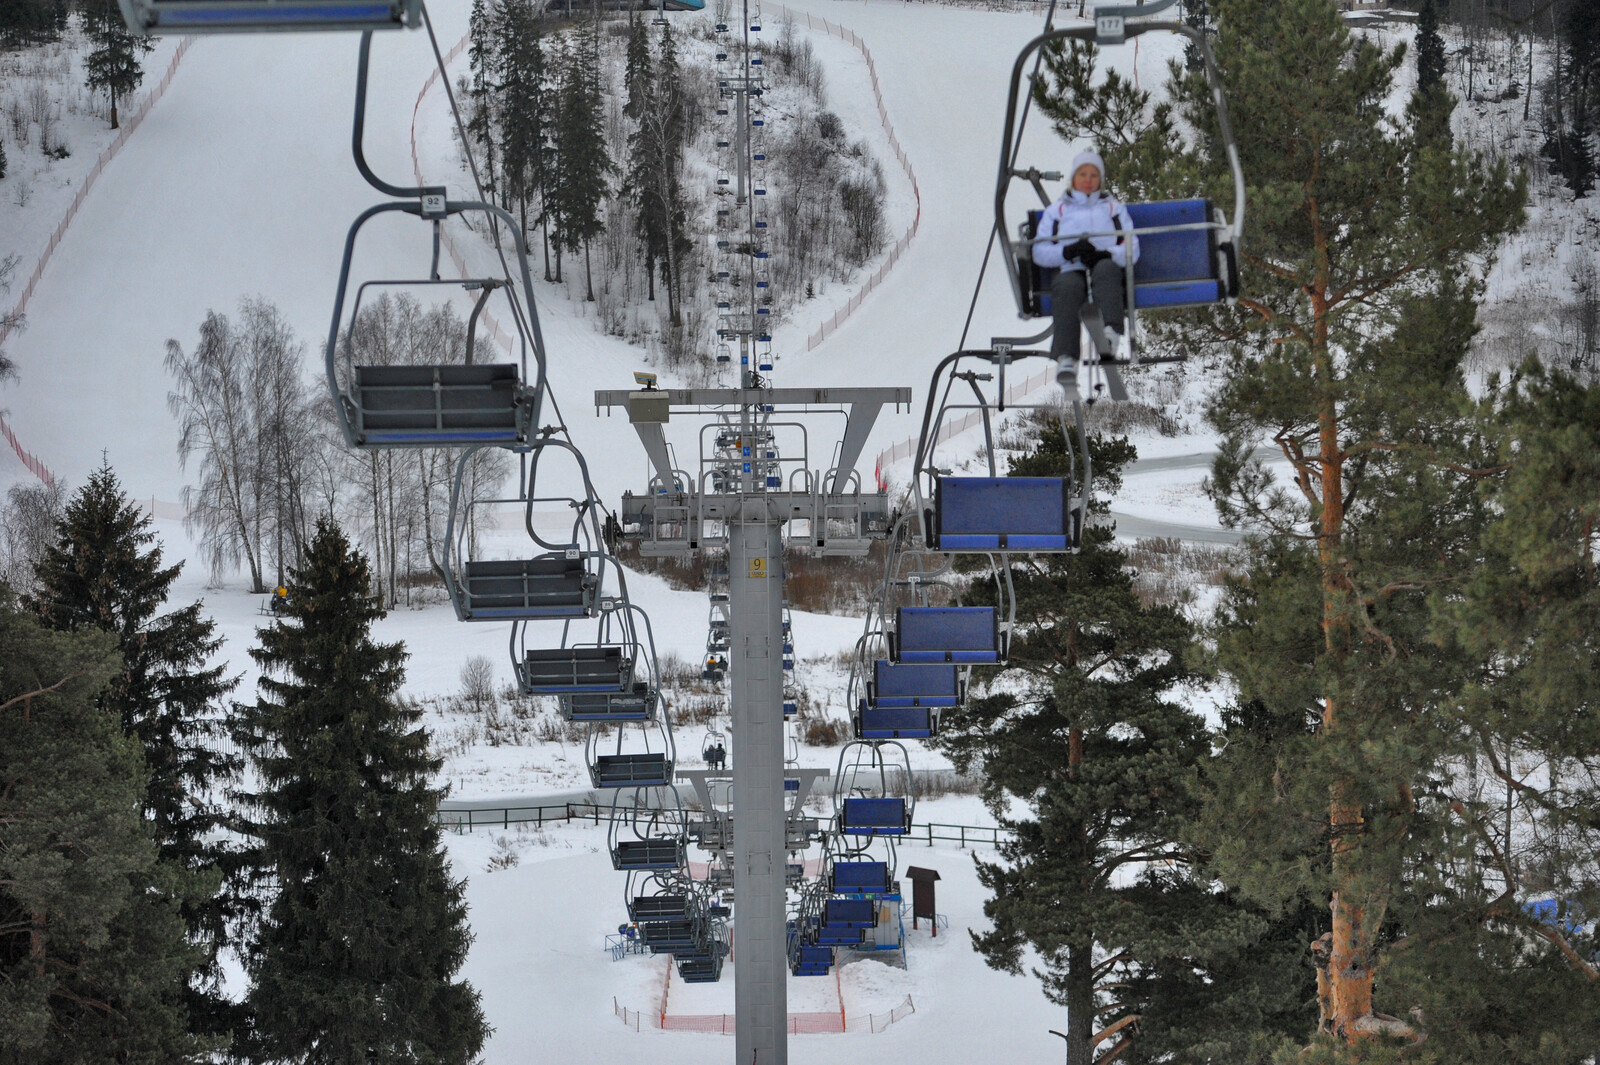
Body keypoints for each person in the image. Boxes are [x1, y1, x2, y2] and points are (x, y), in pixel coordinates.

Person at [1032, 149, 1140, 398]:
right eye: (1083, 174)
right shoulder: (1058, 211)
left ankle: (1110, 335)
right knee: (1067, 287)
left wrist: (1107, 253)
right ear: (1074, 178)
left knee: (1106, 271)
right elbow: (1040, 251)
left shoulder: (1113, 208)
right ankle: (1067, 359)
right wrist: (1067, 251)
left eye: (1094, 175)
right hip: (1071, 267)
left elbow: (1131, 247)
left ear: (1100, 180)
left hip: (1105, 266)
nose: (1088, 180)